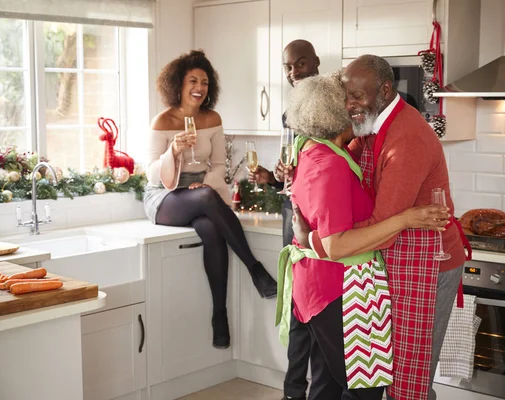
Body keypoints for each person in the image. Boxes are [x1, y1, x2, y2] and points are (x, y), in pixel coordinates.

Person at [293, 55, 470, 400]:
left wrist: (311, 238)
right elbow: (342, 158)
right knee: (386, 377)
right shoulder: (370, 128)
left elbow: (381, 225)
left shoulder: (407, 140)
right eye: (345, 97)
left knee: (408, 381)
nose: (350, 105)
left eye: (357, 97)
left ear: (386, 90)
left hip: (426, 266)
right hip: (394, 261)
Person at [143, 50, 278, 350]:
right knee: (204, 200)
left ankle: (220, 316)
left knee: (210, 227)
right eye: (193, 80)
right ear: (178, 84)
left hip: (202, 191)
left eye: (204, 82)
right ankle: (255, 269)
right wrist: (173, 152)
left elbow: (219, 167)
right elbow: (152, 175)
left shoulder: (212, 118)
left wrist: (204, 184)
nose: (200, 87)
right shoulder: (163, 122)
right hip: (165, 195)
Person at [248, 39, 320, 400]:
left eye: (300, 64)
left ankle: (320, 389)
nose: (293, 73)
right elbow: (291, 168)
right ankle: (293, 391)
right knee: (296, 299)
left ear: (316, 63)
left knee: (318, 305)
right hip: (293, 211)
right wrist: (275, 174)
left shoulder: (329, 107)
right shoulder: (289, 112)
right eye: (288, 67)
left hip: (321, 214)